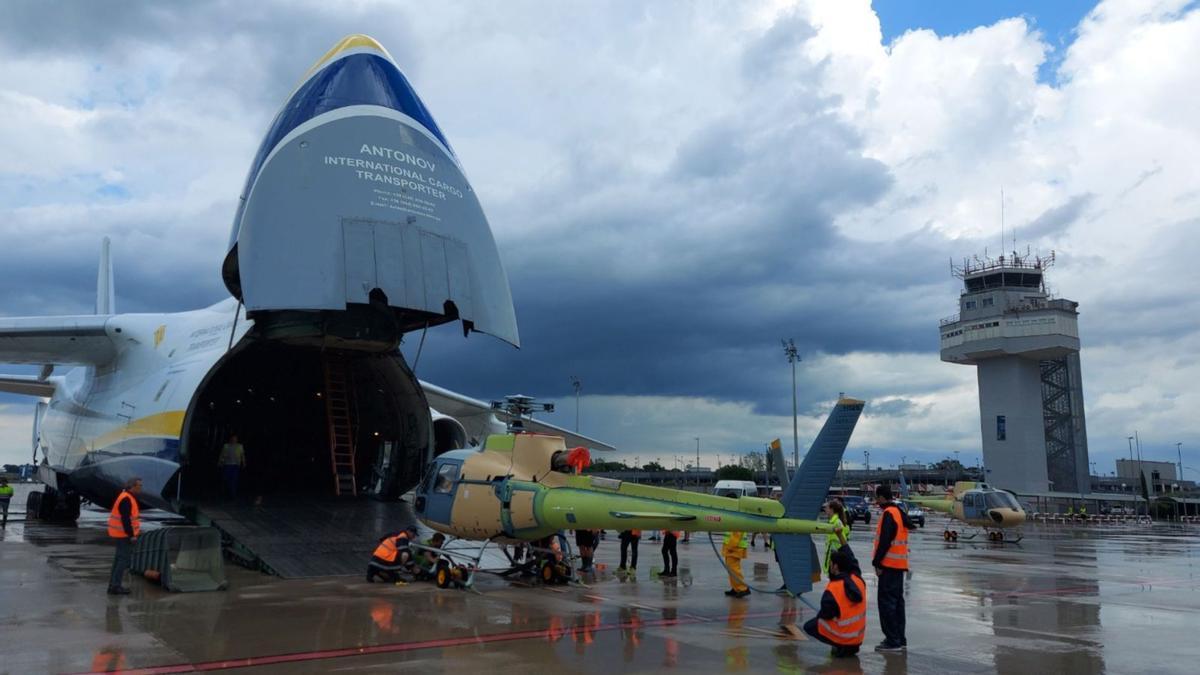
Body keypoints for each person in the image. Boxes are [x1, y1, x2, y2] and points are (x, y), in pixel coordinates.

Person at [803, 547, 867, 657]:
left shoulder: (833, 589)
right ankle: (846, 645)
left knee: (810, 625)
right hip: (857, 638)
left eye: (831, 563)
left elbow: (825, 614)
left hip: (845, 639)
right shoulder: (858, 580)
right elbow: (853, 560)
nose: (830, 566)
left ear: (835, 567)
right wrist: (842, 539)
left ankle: (838, 644)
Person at [872, 484, 912, 652]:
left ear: (881, 497)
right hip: (899, 566)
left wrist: (877, 562)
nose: (876, 501)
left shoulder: (889, 514)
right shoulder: (898, 512)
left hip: (888, 566)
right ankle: (900, 638)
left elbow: (885, 541)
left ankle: (892, 640)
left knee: (887, 604)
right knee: (897, 604)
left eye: (877, 498)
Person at [107, 477, 143, 595]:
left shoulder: (126, 497)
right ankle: (115, 586)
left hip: (121, 534)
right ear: (132, 487)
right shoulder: (126, 499)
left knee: (118, 560)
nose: (141, 488)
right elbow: (126, 519)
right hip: (124, 535)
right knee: (123, 560)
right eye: (139, 486)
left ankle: (113, 585)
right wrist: (131, 535)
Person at [823, 499, 852, 575]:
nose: (825, 509)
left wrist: (832, 561)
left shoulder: (836, 523)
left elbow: (839, 543)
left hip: (835, 561)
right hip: (834, 560)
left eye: (827, 508)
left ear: (832, 509)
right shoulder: (833, 522)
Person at [722, 529, 750, 597]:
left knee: (733, 569)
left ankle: (742, 588)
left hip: (734, 548)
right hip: (733, 547)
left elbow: (737, 533)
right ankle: (736, 588)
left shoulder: (737, 519)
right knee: (731, 569)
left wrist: (731, 546)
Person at [219, 434, 246, 499]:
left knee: (234, 480)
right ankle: (224, 493)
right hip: (227, 464)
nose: (234, 440)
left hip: (235, 465)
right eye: (233, 438)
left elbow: (242, 455)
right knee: (225, 479)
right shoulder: (226, 446)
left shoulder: (240, 446)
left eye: (235, 438)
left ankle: (233, 495)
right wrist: (220, 462)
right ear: (230, 439)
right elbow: (222, 454)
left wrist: (244, 462)